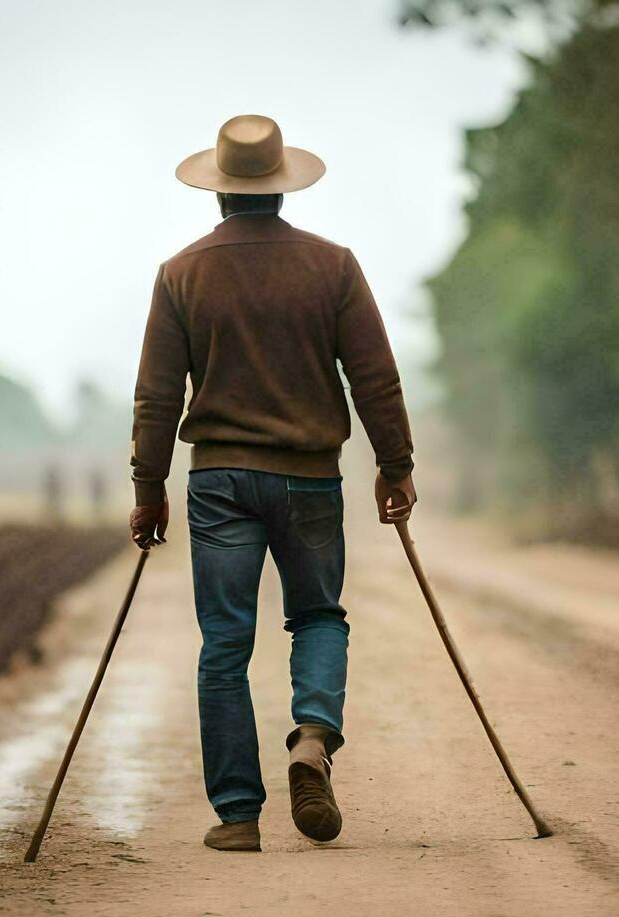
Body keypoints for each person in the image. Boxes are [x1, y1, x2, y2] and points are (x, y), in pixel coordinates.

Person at [128, 114, 416, 852]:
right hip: (310, 479)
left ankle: (237, 816)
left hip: (218, 482)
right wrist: (396, 465)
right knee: (317, 615)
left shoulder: (181, 274)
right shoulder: (334, 266)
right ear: (282, 190)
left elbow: (158, 397)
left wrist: (148, 486)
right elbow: (374, 378)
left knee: (224, 644)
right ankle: (312, 741)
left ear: (218, 194)